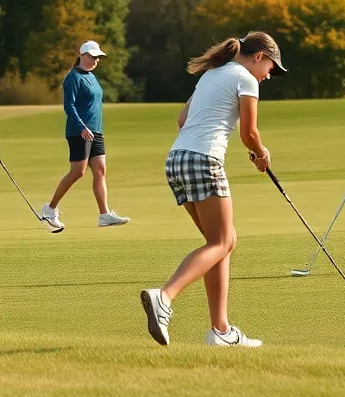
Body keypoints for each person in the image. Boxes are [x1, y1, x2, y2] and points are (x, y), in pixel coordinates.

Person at [140, 32, 285, 349]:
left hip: (177, 160)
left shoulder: (212, 74)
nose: (270, 74)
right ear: (259, 56)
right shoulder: (247, 79)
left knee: (222, 242)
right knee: (222, 241)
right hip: (203, 161)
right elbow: (249, 132)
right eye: (271, 66)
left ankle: (220, 330)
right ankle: (164, 297)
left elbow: (182, 119)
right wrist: (261, 154)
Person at [38, 40, 129, 232]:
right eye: (92, 57)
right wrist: (81, 127)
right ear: (82, 56)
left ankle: (104, 215)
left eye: (97, 58)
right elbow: (68, 105)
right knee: (78, 172)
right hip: (79, 131)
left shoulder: (92, 76)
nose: (95, 60)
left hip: (96, 130)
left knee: (100, 170)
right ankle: (50, 208)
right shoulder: (73, 77)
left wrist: (93, 129)